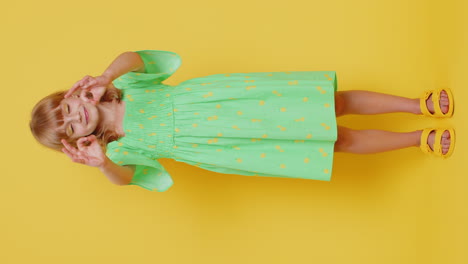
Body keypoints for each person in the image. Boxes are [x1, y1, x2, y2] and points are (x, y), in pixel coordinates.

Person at [29, 50, 455, 192]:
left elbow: (136, 55)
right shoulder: (116, 148)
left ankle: (416, 105)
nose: (76, 116)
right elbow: (130, 180)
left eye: (67, 108)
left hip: (231, 101)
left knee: (332, 102)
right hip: (228, 144)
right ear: (76, 142)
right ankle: (419, 138)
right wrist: (101, 162)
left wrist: (105, 77)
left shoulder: (125, 86)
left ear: (73, 93)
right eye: (70, 128)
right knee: (333, 141)